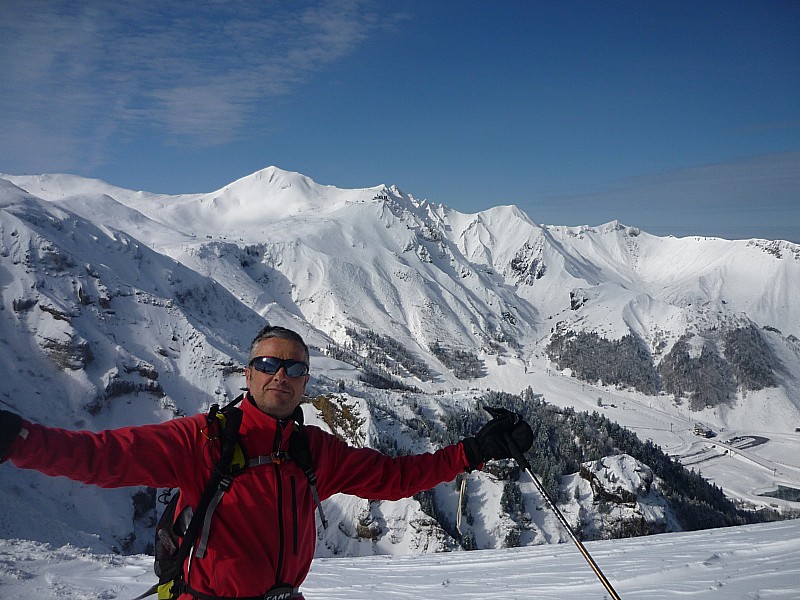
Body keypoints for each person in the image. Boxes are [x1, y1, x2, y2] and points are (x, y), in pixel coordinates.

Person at [0, 325, 533, 599]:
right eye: (267, 364)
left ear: (305, 382)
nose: (281, 375)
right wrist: (19, 439)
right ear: (248, 376)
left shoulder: (313, 451)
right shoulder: (201, 441)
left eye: (294, 368)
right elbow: (101, 459)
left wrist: (474, 451)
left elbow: (395, 479)